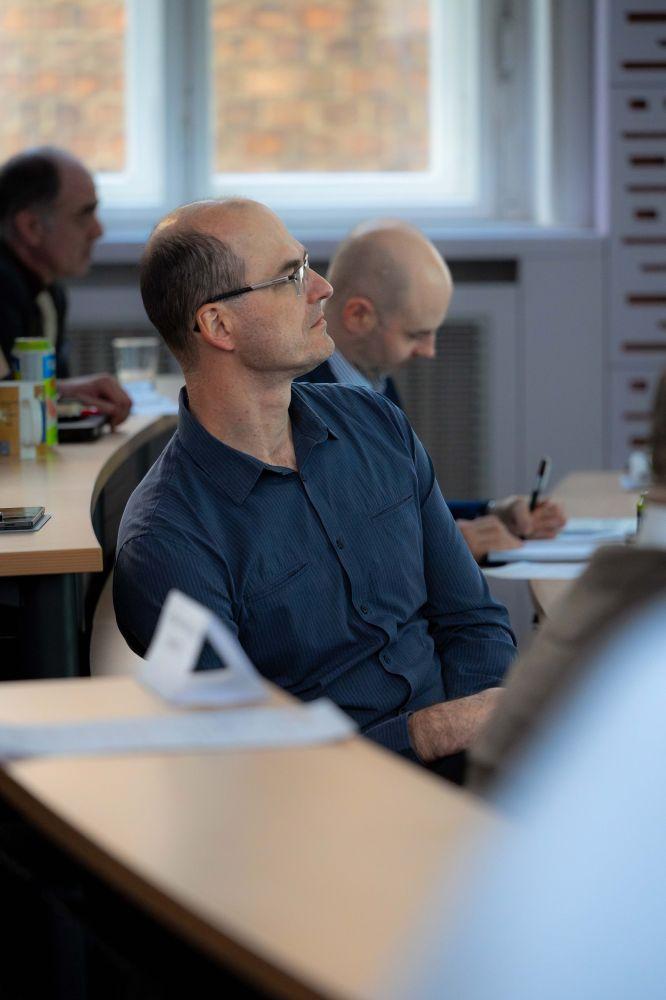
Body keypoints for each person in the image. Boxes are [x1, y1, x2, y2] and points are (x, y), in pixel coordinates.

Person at [114, 197, 517, 768]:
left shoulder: (376, 423)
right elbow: (245, 757)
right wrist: (427, 734)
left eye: (307, 265)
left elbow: (472, 620)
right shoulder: (166, 542)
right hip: (332, 799)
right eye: (290, 277)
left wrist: (483, 739)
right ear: (219, 325)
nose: (322, 287)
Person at [298, 221, 565, 560]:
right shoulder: (299, 403)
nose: (429, 351)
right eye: (416, 335)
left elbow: (402, 507)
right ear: (359, 315)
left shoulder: (374, 380)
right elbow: (326, 545)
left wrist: (491, 513)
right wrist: (444, 548)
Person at [0, 147, 131, 427]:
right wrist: (64, 391)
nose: (98, 230)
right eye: (84, 214)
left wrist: (66, 391)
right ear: (31, 227)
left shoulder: (49, 291)